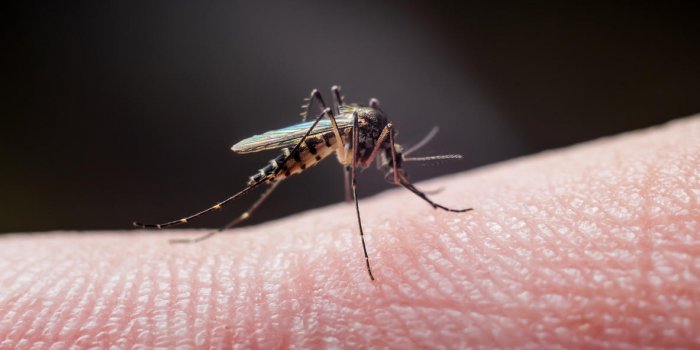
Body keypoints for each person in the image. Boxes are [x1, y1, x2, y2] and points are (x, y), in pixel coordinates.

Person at [2, 115, 698, 348]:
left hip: (337, 133)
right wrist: (354, 198)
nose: (392, 166)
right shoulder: (363, 135)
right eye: (396, 165)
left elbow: (382, 156)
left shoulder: (381, 141)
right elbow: (356, 144)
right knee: (329, 129)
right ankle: (230, 220)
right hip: (320, 134)